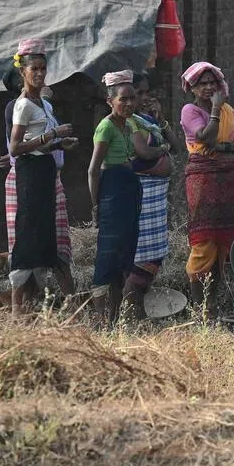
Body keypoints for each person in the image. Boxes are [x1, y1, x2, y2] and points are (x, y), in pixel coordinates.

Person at [8, 40, 77, 315]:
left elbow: (39, 144)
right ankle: (16, 311)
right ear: (23, 72)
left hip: (45, 172)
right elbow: (15, 147)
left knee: (45, 237)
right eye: (33, 69)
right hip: (31, 175)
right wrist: (52, 135)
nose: (39, 74)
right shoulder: (23, 105)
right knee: (27, 236)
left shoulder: (43, 105)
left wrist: (59, 145)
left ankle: (37, 307)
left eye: (42, 69)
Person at [88, 71, 156, 325]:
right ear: (110, 101)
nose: (129, 104)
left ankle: (114, 319)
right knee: (108, 256)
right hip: (112, 192)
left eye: (131, 99)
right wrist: (96, 205)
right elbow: (94, 169)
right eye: (122, 99)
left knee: (124, 256)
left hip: (128, 192)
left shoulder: (128, 126)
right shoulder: (106, 127)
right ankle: (99, 318)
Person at [180, 62, 234, 318]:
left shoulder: (228, 110)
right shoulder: (190, 110)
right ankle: (199, 308)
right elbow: (205, 138)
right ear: (192, 88)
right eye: (202, 83)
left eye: (212, 83)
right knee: (203, 240)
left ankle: (213, 305)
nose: (208, 87)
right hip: (203, 180)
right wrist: (216, 109)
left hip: (227, 180)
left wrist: (224, 148)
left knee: (222, 242)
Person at [123, 72, 180, 317]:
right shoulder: (127, 121)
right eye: (139, 93)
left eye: (147, 93)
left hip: (156, 199)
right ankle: (128, 314)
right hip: (141, 197)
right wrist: (163, 149)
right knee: (141, 259)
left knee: (155, 255)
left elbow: (178, 147)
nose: (144, 98)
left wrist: (162, 121)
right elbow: (143, 152)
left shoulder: (146, 120)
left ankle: (135, 312)